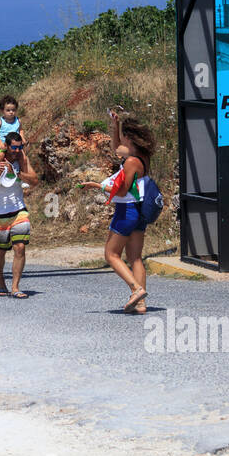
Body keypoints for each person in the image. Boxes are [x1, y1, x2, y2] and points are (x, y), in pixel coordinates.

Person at [82, 108, 155, 313]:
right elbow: (117, 149)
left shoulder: (131, 162)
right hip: (140, 211)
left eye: (122, 135)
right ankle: (141, 304)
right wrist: (115, 127)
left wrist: (98, 186)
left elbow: (121, 192)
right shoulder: (140, 156)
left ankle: (136, 289)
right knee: (136, 258)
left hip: (127, 210)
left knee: (111, 254)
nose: (120, 139)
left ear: (128, 137)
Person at [0, 132, 38, 297]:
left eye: (20, 147)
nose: (17, 150)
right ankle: (0, 281)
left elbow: (34, 181)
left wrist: (16, 173)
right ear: (7, 145)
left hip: (19, 211)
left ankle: (15, 287)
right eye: (14, 147)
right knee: (0, 251)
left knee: (20, 247)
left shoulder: (22, 161)